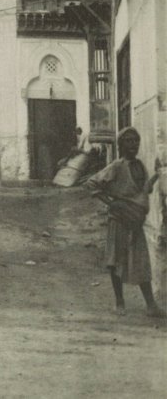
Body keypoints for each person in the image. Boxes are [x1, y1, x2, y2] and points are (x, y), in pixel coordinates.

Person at [86, 126, 165, 318]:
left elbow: (143, 191)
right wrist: (113, 205)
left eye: (136, 140)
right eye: (128, 141)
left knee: (141, 261)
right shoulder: (116, 166)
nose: (133, 144)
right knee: (116, 261)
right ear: (121, 144)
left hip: (135, 222)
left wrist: (155, 174)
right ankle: (119, 302)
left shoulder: (140, 166)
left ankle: (151, 305)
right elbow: (91, 183)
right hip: (119, 221)